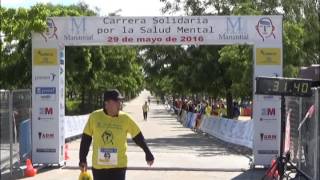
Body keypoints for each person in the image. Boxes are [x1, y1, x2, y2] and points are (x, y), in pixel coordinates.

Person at [79, 89, 154, 180]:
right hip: (99, 167)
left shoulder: (125, 118)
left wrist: (147, 152)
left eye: (121, 101)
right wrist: (82, 158)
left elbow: (138, 136)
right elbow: (86, 139)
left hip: (119, 167)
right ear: (107, 103)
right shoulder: (94, 117)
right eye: (117, 101)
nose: (120, 104)